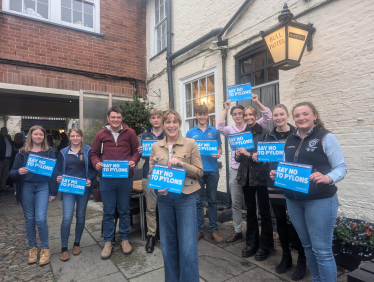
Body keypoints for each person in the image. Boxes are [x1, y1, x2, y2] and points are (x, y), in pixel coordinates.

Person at [270, 102, 347, 282]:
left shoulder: (325, 137)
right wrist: (277, 172)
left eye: (305, 114)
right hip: (293, 200)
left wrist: (328, 178)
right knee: (307, 246)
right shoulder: (289, 140)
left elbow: (341, 168)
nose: (301, 118)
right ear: (293, 119)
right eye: (297, 115)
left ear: (314, 116)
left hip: (320, 200)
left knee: (322, 249)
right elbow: (286, 165)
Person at [148, 109, 203, 282]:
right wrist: (157, 189)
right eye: (168, 122)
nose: (171, 125)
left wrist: (182, 164)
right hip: (165, 200)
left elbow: (200, 172)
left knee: (187, 248)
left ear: (179, 124)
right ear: (163, 125)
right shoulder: (156, 146)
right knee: (168, 246)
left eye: (175, 122)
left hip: (186, 199)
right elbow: (151, 174)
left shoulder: (190, 143)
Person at [252, 104, 306, 280]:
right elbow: (266, 160)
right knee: (280, 220)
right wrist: (258, 158)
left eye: (282, 114)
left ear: (287, 115)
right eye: (276, 115)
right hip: (274, 182)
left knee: (298, 222)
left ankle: (303, 260)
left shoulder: (297, 134)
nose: (279, 118)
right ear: (273, 118)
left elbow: (304, 158)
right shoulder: (269, 136)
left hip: (293, 181)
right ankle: (286, 256)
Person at [216, 94, 272, 243]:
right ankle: (238, 230)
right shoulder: (230, 129)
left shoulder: (254, 125)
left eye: (241, 113)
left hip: (254, 169)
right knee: (236, 202)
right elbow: (219, 126)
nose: (239, 116)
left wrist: (257, 101)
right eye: (235, 114)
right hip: (237, 168)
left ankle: (258, 234)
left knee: (255, 203)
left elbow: (267, 116)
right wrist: (225, 108)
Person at [90, 106, 140, 260]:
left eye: (118, 117)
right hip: (106, 178)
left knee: (124, 209)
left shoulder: (130, 133)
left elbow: (137, 151)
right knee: (108, 211)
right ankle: (108, 241)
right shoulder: (100, 135)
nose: (116, 120)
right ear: (108, 118)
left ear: (121, 118)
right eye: (113, 117)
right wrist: (96, 163)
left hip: (125, 178)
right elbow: (94, 153)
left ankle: (124, 239)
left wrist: (133, 161)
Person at [9, 125, 57, 266]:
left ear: (44, 137)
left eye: (41, 134)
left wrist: (53, 192)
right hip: (26, 188)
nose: (38, 136)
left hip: (43, 187)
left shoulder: (49, 152)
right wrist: (19, 171)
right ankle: (32, 248)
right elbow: (12, 173)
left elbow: (53, 174)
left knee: (41, 218)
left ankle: (45, 249)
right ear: (30, 135)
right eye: (35, 134)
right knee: (29, 219)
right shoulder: (22, 152)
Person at [235, 106, 273, 261]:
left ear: (256, 116)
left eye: (251, 114)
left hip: (261, 177)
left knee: (264, 212)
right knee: (250, 211)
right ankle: (251, 243)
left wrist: (248, 154)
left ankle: (265, 245)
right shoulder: (242, 134)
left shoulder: (265, 133)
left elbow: (266, 160)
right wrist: (238, 155)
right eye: (246, 115)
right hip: (246, 177)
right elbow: (239, 159)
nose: (248, 117)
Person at [54, 128, 98, 261]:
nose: (75, 138)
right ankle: (63, 248)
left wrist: (90, 179)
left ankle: (77, 243)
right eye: (72, 136)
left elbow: (93, 169)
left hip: (82, 188)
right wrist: (58, 176)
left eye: (77, 136)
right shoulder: (63, 152)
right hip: (68, 188)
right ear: (69, 137)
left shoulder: (88, 151)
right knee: (67, 217)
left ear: (81, 136)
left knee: (80, 215)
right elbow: (57, 169)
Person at [186, 105, 223, 243]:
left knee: (213, 201)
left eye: (204, 114)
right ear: (196, 115)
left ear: (208, 115)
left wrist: (218, 154)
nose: (202, 117)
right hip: (197, 171)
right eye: (199, 114)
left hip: (212, 170)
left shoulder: (214, 131)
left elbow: (220, 149)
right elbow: (187, 151)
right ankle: (199, 230)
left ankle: (214, 230)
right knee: (198, 201)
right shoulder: (190, 132)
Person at [138, 108, 164, 253]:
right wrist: (141, 153)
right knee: (150, 208)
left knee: (166, 206)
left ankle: (166, 235)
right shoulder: (144, 135)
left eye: (158, 117)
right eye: (153, 117)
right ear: (150, 120)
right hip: (148, 174)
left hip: (165, 174)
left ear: (162, 119)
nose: (155, 119)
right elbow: (144, 157)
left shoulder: (167, 134)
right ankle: (151, 236)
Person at [0, 127, 12, 192]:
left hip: (7, 159)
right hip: (1, 159)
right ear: (0, 131)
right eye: (4, 131)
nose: (5, 132)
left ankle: (3, 186)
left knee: (6, 174)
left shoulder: (8, 138)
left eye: (6, 131)